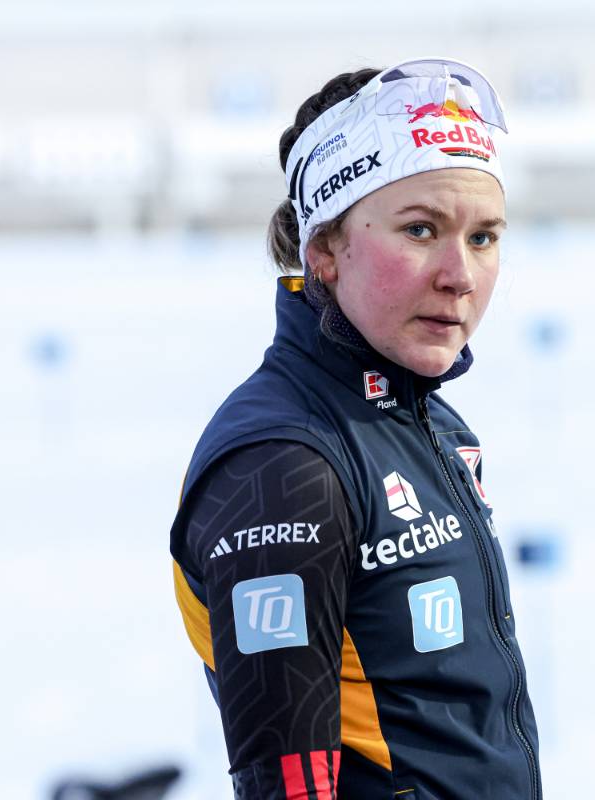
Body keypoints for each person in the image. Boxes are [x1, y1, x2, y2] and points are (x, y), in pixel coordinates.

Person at [168, 58, 541, 800]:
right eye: (420, 229)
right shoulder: (284, 464)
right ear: (325, 251)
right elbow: (287, 785)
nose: (460, 275)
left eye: (483, 237)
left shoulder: (418, 413)